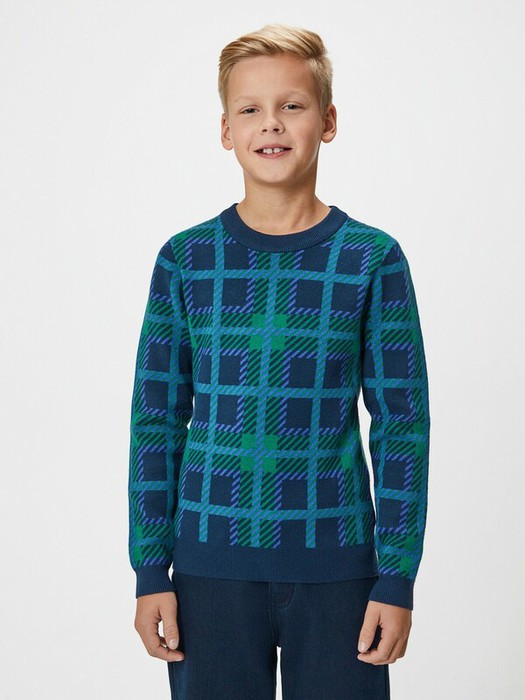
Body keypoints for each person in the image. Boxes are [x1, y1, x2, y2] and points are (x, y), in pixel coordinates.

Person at [128, 22, 431, 700]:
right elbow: (156, 420)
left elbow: (402, 425)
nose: (271, 123)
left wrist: (396, 575)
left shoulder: (372, 259)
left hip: (339, 571)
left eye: (292, 105)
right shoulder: (185, 260)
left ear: (328, 121)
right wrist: (150, 569)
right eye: (250, 109)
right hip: (208, 572)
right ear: (225, 130)